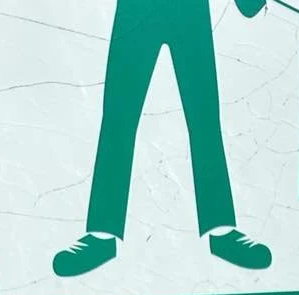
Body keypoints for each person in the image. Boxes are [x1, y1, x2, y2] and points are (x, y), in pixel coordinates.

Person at [54, 0, 272, 275]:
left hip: (189, 10)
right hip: (136, 8)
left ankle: (221, 229)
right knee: (118, 118)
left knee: (203, 117)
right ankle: (101, 234)